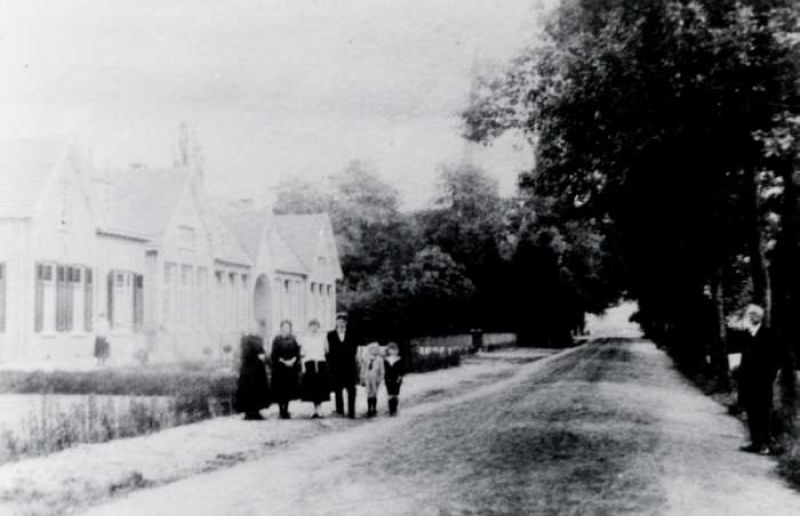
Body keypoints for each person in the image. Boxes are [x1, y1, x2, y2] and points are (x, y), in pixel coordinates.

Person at [737, 304, 781, 454]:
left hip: (763, 382)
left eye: (753, 315)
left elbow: (775, 360)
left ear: (759, 317)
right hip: (748, 382)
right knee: (752, 411)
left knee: (763, 412)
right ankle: (755, 442)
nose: (750, 317)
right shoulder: (747, 335)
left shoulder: (769, 335)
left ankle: (766, 444)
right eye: (749, 315)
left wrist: (769, 378)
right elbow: (744, 360)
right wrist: (741, 379)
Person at [327, 313, 359, 418]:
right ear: (336, 323)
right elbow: (329, 352)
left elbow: (354, 350)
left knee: (351, 389)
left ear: (346, 323)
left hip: (349, 366)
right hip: (336, 366)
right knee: (338, 389)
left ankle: (351, 412)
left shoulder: (352, 334)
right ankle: (340, 411)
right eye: (338, 322)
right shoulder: (330, 335)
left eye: (343, 322)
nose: (340, 324)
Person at [234, 331, 270, 420]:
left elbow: (262, 350)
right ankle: (248, 412)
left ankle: (256, 411)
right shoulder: (245, 339)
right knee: (248, 390)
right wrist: (257, 355)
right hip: (248, 368)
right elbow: (246, 352)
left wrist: (264, 356)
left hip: (258, 368)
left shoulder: (259, 339)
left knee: (258, 390)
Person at [300, 319, 331, 418]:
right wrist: (303, 366)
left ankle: (319, 409)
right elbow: (303, 354)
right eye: (312, 326)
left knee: (320, 387)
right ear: (309, 327)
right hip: (310, 363)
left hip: (320, 363)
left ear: (318, 327)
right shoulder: (305, 338)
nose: (314, 328)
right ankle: (315, 410)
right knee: (312, 388)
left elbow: (327, 351)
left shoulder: (322, 337)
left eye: (316, 326)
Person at [271, 320, 301, 419]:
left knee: (288, 389)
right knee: (280, 389)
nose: (286, 329)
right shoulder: (277, 339)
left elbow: (297, 352)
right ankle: (281, 410)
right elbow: (274, 354)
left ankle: (286, 409)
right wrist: (284, 362)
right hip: (280, 368)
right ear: (281, 328)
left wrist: (293, 360)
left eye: (288, 327)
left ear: (290, 328)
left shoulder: (293, 339)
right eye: (284, 327)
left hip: (290, 369)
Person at [361, 342, 384, 417]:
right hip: (368, 377)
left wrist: (380, 378)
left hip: (375, 377)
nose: (373, 350)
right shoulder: (366, 358)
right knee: (368, 393)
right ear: (369, 350)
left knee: (374, 393)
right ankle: (369, 409)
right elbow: (363, 369)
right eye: (372, 349)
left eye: (375, 349)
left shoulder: (379, 359)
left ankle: (374, 408)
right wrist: (362, 378)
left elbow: (382, 370)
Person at [384, 342, 404, 416]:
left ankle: (395, 409)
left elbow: (402, 370)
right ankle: (390, 410)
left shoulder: (399, 359)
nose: (392, 351)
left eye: (394, 349)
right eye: (391, 349)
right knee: (390, 395)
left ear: (397, 350)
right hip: (388, 379)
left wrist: (400, 377)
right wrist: (385, 378)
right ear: (388, 350)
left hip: (396, 379)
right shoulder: (386, 360)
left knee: (395, 394)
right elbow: (384, 370)